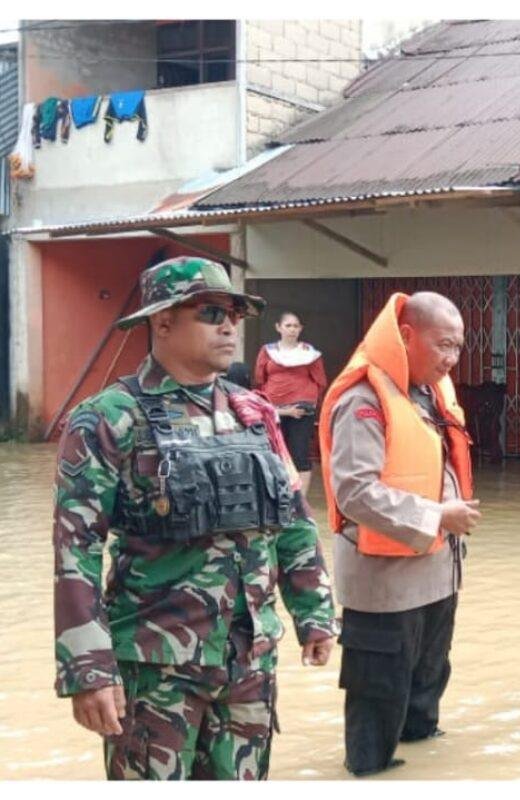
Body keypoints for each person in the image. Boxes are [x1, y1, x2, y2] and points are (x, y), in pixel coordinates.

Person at [52, 256, 337, 781]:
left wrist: (314, 610)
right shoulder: (108, 419)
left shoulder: (254, 411)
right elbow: (76, 551)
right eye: (211, 312)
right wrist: (87, 670)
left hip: (249, 660)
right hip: (155, 665)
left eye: (235, 313)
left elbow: (292, 517)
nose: (229, 326)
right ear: (162, 321)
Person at [318, 291, 482, 778]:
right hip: (384, 585)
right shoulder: (363, 398)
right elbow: (355, 492)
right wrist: (437, 516)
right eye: (443, 345)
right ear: (406, 336)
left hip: (437, 574)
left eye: (458, 347)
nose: (452, 358)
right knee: (378, 700)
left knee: (427, 688)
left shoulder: (431, 394)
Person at [254, 311, 328, 498]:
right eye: (288, 325)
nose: (292, 329)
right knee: (274, 453)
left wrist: (308, 403)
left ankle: (299, 503)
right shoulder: (267, 351)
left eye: (296, 326)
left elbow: (320, 381)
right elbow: (259, 379)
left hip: (301, 410)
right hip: (274, 410)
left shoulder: (310, 353)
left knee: (299, 454)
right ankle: (279, 498)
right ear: (278, 327)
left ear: (301, 329)